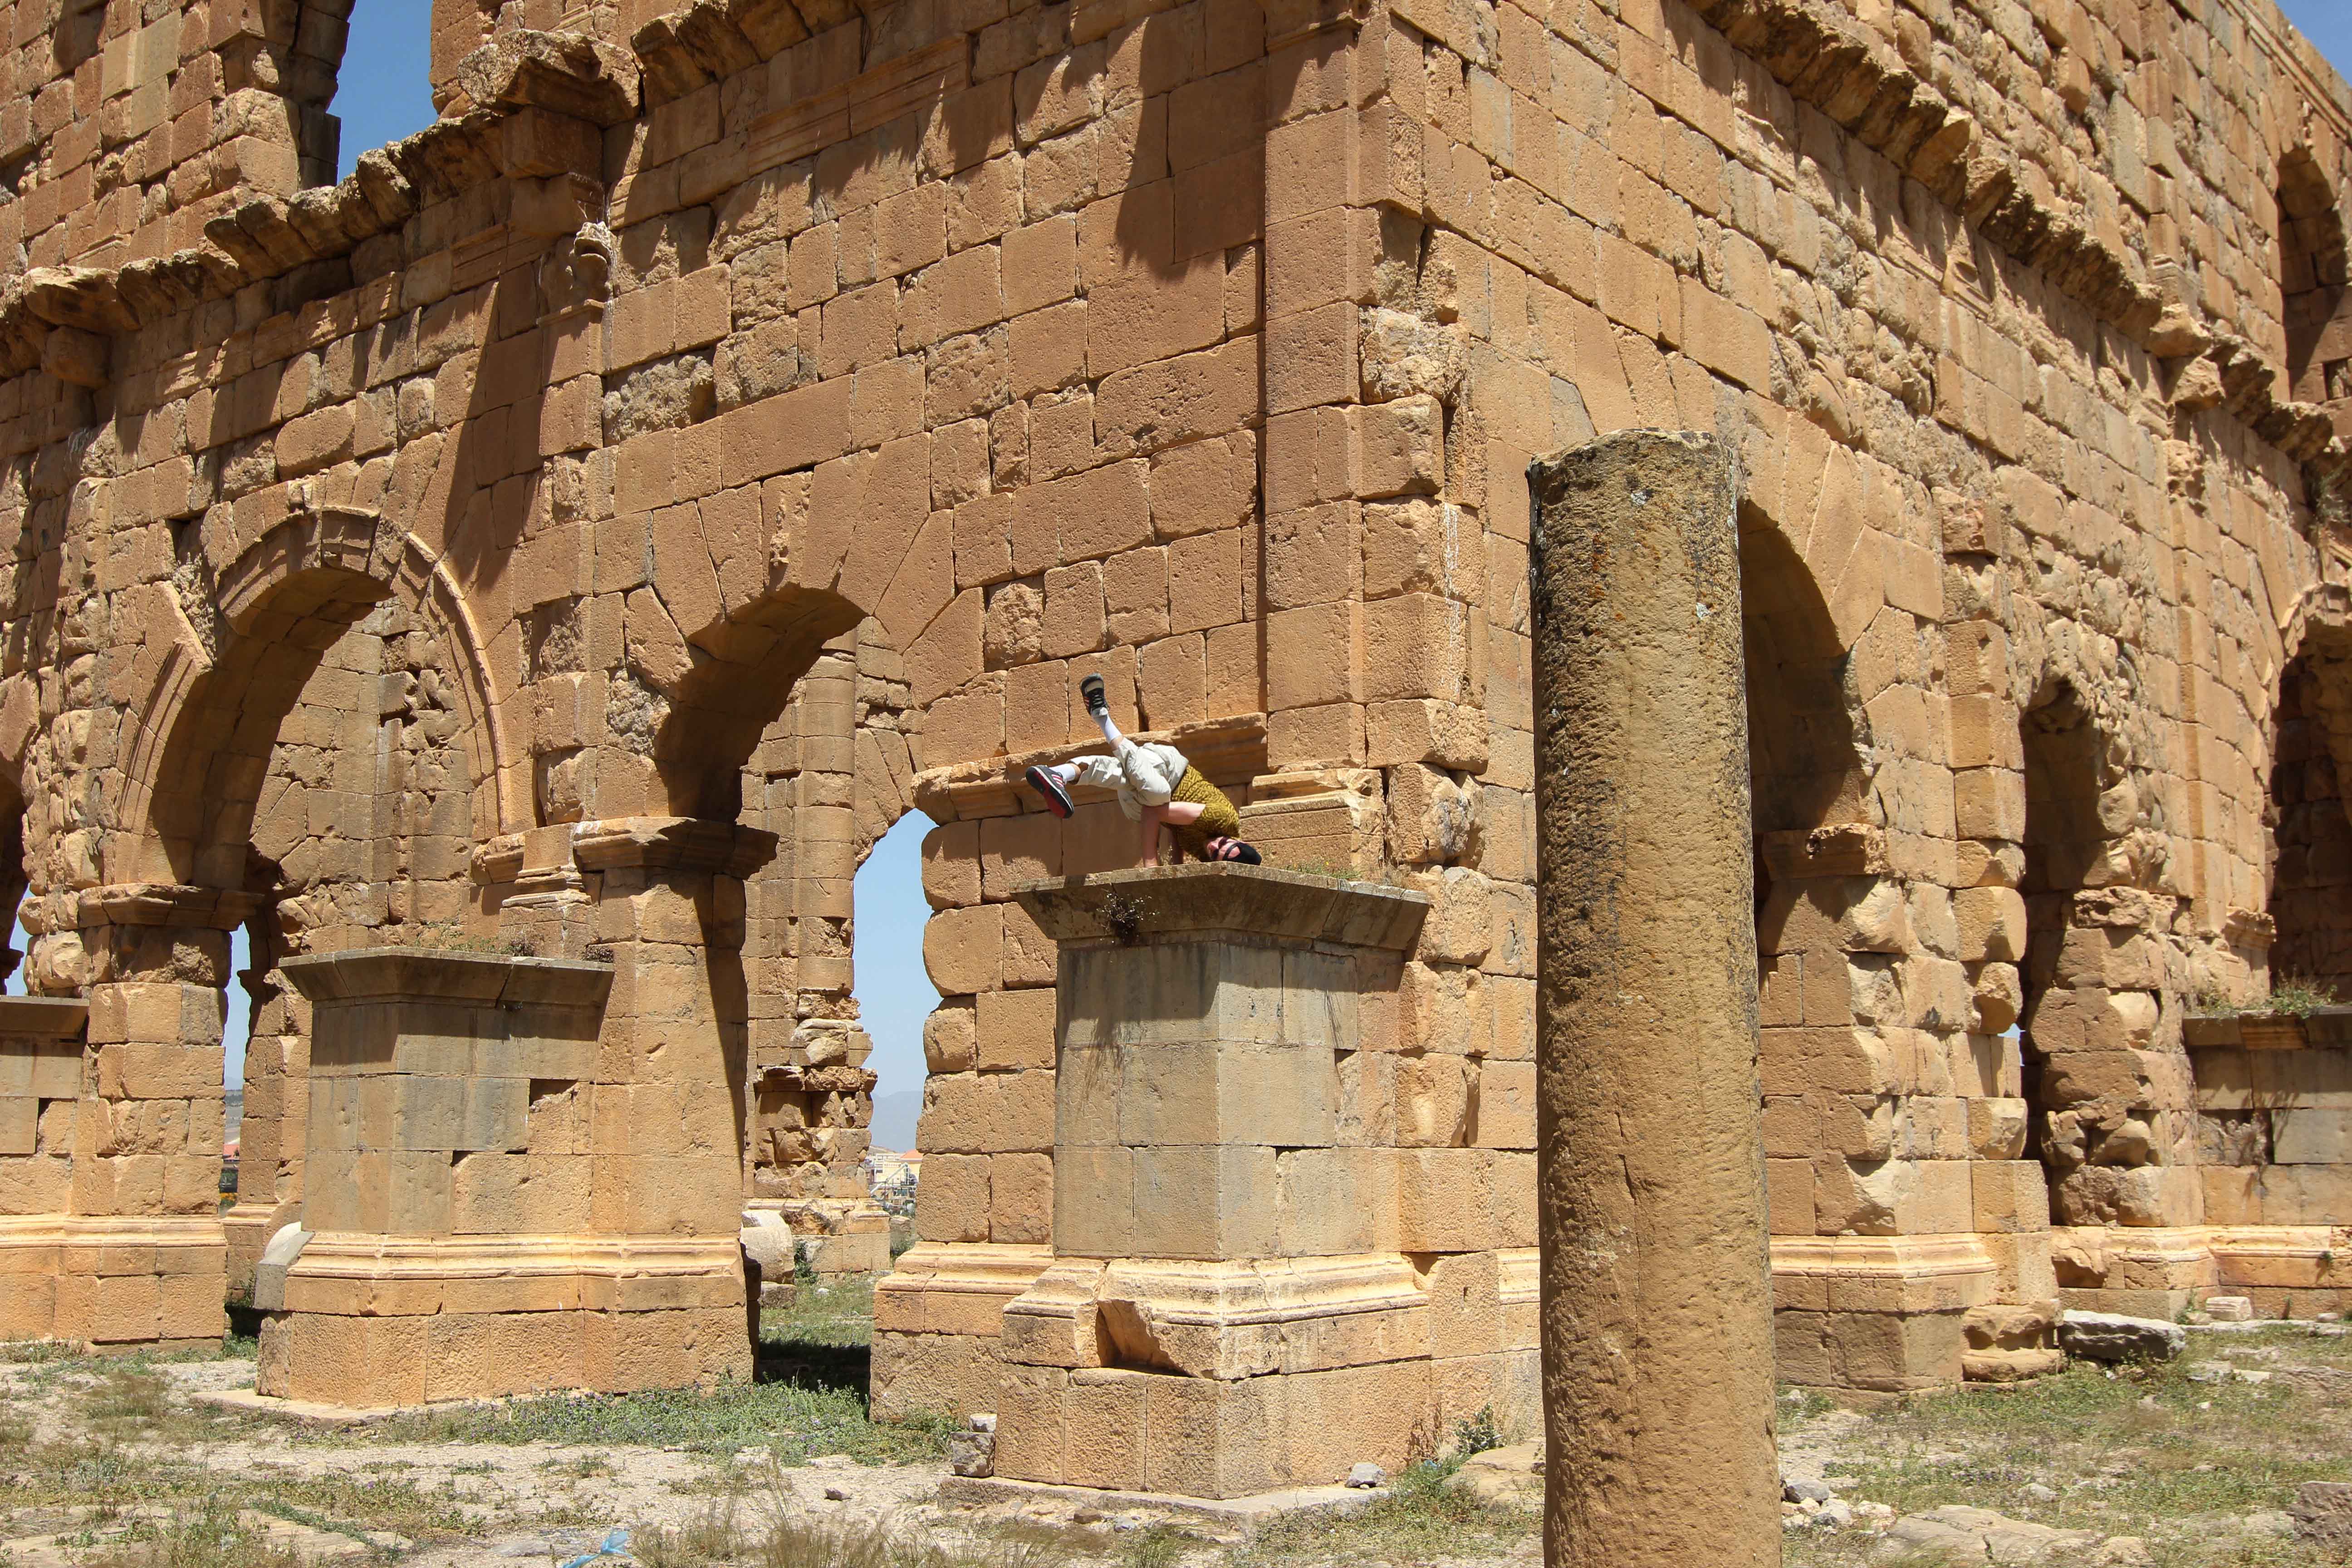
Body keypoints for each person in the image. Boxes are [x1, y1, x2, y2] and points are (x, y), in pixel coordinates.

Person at [1024, 676, 1263, 867]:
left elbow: (1179, 830)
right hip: (1169, 770)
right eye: (1223, 845)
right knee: (1157, 793)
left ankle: (1061, 774)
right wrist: (1151, 864)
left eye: (1216, 855)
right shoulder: (1223, 818)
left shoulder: (1206, 854)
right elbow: (1154, 812)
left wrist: (1176, 870)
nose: (1214, 848)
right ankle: (1101, 717)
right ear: (1237, 840)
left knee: (1120, 775)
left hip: (1143, 797)